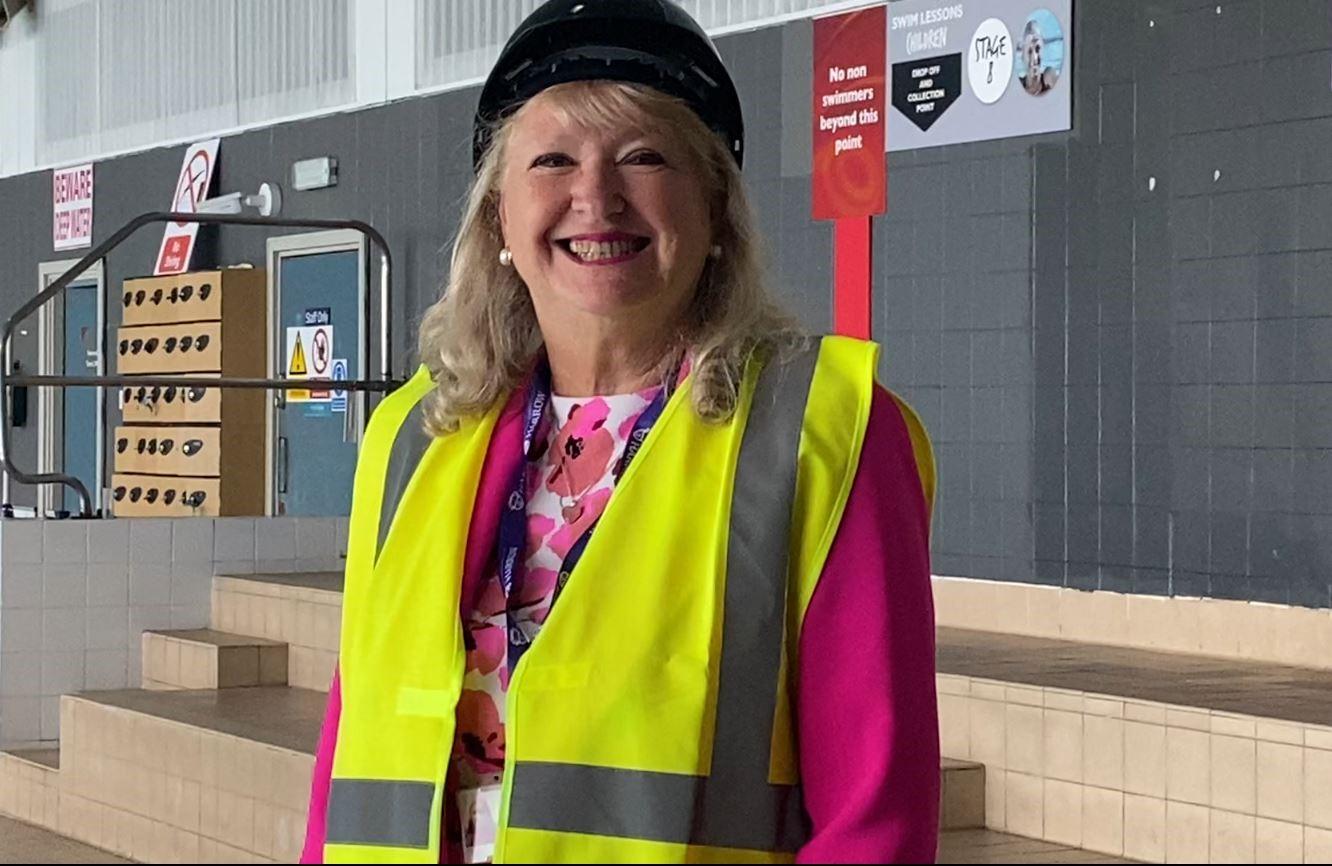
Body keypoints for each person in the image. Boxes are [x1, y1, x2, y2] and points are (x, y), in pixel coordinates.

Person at [301, 1, 939, 862]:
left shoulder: (820, 434)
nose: (594, 196)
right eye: (553, 159)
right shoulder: (414, 438)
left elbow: (877, 819)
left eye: (643, 156)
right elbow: (348, 767)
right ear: (498, 222)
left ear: (715, 213)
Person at [1020, 19, 1058, 95]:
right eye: (1029, 51)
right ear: (1022, 56)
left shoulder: (1049, 80)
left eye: (1038, 49)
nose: (1035, 58)